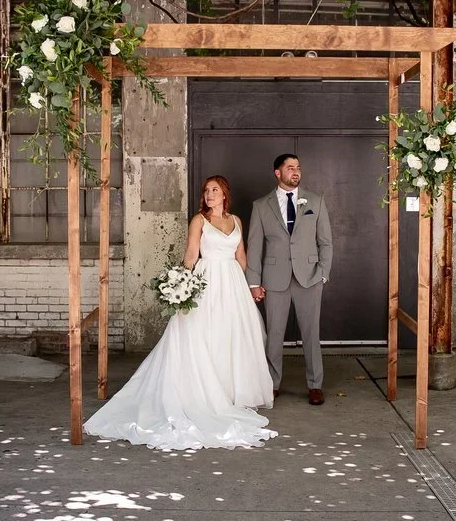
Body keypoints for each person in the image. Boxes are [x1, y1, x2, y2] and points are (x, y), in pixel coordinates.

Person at [83, 175, 277, 450]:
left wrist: (251, 286)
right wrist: (181, 284)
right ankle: (206, 393)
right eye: (206, 191)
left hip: (233, 283)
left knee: (233, 335)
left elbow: (241, 256)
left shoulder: (236, 221)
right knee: (204, 335)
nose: (209, 195)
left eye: (215, 190)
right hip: (207, 280)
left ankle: (231, 392)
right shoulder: (199, 221)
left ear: (224, 194)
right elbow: (191, 255)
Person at [246, 154, 333, 406]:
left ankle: (315, 385)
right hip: (275, 279)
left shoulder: (316, 201)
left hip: (310, 277)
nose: (296, 172)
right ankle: (271, 384)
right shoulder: (261, 205)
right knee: (274, 334)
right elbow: (254, 246)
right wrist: (254, 281)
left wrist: (323, 272)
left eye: (298, 168)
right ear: (277, 173)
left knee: (311, 333)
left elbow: (325, 242)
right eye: (290, 168)